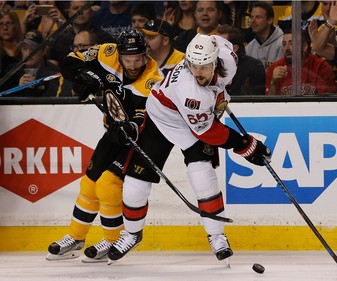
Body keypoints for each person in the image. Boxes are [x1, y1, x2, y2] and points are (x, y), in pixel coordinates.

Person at [106, 34, 271, 265]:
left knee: (203, 176)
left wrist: (220, 94)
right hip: (162, 119)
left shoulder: (226, 56)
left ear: (215, 60)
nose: (198, 72)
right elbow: (207, 132)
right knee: (135, 184)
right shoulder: (191, 92)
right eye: (193, 66)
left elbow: (212, 38)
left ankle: (217, 235)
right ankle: (132, 233)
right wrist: (244, 145)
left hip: (199, 118)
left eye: (204, 66)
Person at [46, 28, 163, 262]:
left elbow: (142, 116)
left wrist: (130, 127)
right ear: (119, 54)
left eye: (138, 58)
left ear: (145, 54)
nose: (133, 64)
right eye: (128, 59)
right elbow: (70, 62)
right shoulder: (106, 53)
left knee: (108, 186)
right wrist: (84, 77)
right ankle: (76, 236)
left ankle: (112, 240)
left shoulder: (152, 77)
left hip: (138, 138)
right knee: (89, 184)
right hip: (113, 132)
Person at [266, 29, 336, 95]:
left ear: (305, 46)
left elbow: (326, 103)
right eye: (284, 44)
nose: (287, 48)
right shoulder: (274, 69)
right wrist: (273, 83)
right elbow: (268, 105)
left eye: (292, 43)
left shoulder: (321, 67)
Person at [48, 0, 115, 67]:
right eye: (75, 8)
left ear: (91, 11)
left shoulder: (105, 39)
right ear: (69, 12)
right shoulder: (60, 39)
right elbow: (51, 66)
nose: (80, 12)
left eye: (84, 8)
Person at [0, 30, 62, 97]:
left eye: (33, 49)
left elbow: (54, 99)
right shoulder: (12, 70)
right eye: (24, 48)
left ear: (44, 51)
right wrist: (18, 87)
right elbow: (3, 97)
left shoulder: (54, 73)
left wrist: (37, 87)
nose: (28, 53)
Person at [217, 24, 265, 95]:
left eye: (220, 45)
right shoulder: (209, 67)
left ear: (234, 48)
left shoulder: (255, 67)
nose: (215, 48)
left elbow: (256, 102)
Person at [245, 2, 284, 70]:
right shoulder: (249, 47)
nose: (253, 21)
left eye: (258, 17)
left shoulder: (282, 43)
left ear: (270, 20)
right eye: (251, 17)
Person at [0, 8, 22, 76]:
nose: (5, 28)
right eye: (1, 24)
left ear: (16, 25)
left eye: (8, 23)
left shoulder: (25, 49)